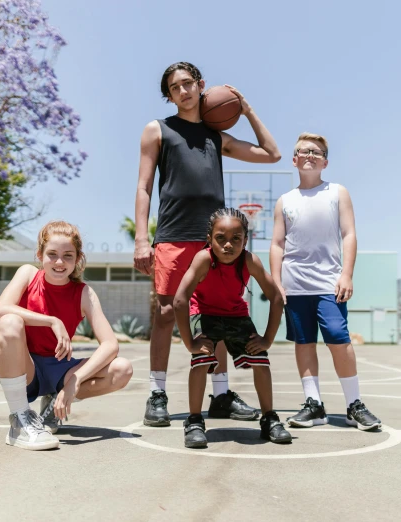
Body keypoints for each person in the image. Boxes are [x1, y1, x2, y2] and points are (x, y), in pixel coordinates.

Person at [134, 62, 281, 427]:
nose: (182, 91)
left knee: (217, 316)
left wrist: (245, 109)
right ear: (168, 95)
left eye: (188, 84)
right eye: (174, 87)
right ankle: (157, 393)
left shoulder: (217, 137)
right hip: (172, 235)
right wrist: (141, 237)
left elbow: (272, 154)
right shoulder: (159, 130)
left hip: (215, 242)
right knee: (166, 314)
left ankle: (220, 394)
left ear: (201, 86)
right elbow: (144, 186)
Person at [270, 133, 381, 431]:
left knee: (337, 338)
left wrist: (346, 273)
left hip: (329, 283)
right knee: (303, 342)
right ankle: (314, 404)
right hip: (295, 285)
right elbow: (278, 244)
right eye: (302, 151)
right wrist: (276, 282)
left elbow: (349, 234)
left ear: (325, 161)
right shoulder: (285, 201)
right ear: (294, 160)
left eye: (315, 151)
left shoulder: (337, 192)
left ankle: (353, 404)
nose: (309, 154)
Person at [0, 221, 134, 450]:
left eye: (68, 255)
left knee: (122, 369)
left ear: (78, 258)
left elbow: (110, 344)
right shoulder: (28, 274)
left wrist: (74, 383)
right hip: (27, 367)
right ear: (39, 254)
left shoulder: (84, 293)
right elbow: (1, 309)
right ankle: (19, 419)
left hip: (61, 369)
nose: (60, 262)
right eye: (52, 254)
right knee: (9, 322)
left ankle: (54, 404)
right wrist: (52, 321)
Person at [173, 208, 291, 448]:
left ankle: (269, 419)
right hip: (204, 314)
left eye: (236, 238)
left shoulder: (249, 260)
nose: (228, 245)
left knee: (261, 360)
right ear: (209, 239)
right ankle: (194, 421)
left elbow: (277, 297)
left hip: (235, 315)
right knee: (201, 359)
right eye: (221, 238)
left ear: (245, 240)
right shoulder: (204, 259)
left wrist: (267, 339)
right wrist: (190, 343)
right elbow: (179, 299)